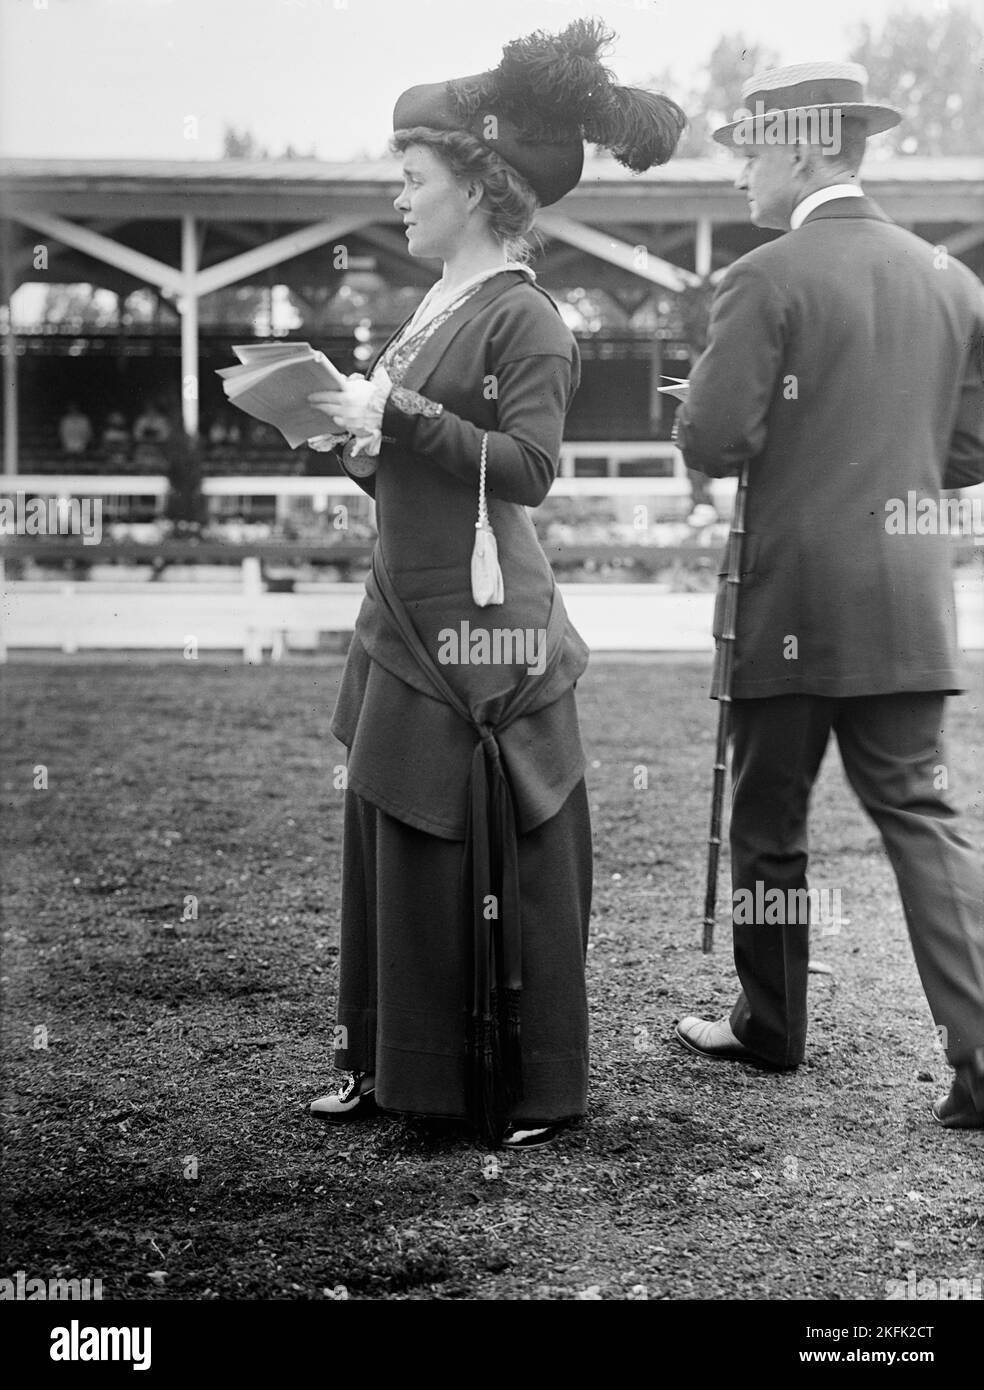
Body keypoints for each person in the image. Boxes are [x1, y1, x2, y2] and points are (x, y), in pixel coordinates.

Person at [305, 18, 685, 1148]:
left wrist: (402, 418)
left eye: (413, 178)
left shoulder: (527, 314)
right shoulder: (434, 308)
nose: (399, 196)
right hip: (409, 603)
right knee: (390, 831)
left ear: (475, 183)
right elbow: (423, 462)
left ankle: (525, 1087)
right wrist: (349, 442)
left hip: (484, 624)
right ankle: (392, 1064)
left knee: (488, 850)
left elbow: (529, 469)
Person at [673, 63, 984, 1129]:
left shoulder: (766, 275)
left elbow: (715, 440)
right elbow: (972, 449)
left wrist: (723, 408)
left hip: (792, 598)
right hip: (907, 598)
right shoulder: (951, 277)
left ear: (804, 150)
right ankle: (982, 1057)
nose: (741, 175)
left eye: (750, 150)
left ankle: (772, 1024)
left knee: (768, 824)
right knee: (924, 820)